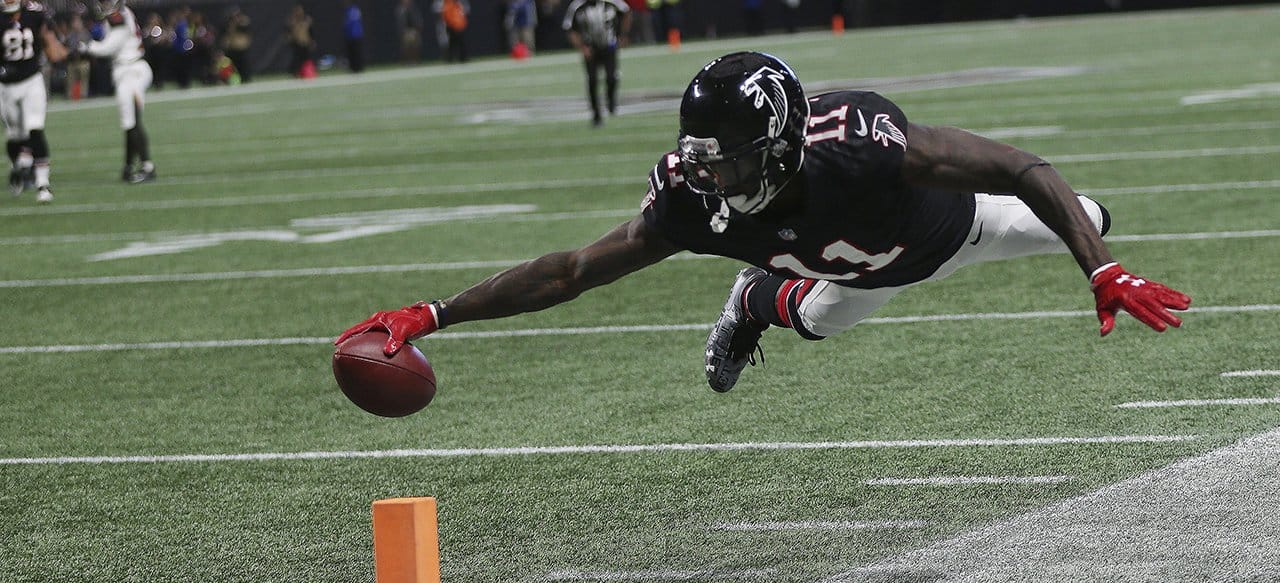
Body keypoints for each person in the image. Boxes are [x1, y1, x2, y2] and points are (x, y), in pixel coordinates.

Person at [337, 52, 1192, 397]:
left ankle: (760, 296)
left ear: (783, 145)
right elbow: (571, 270)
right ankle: (757, 305)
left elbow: (1019, 166)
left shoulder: (858, 144)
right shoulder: (693, 197)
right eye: (705, 157)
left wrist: (1102, 269)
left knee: (1085, 215)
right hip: (859, 274)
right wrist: (436, 313)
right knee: (820, 317)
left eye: (732, 159)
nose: (714, 176)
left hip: (966, 228)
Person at [82, 0, 156, 184]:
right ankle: (129, 166)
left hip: (131, 70)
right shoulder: (122, 13)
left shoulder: (119, 15)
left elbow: (109, 47)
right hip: (130, 70)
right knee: (131, 122)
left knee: (131, 122)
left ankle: (148, 167)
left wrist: (86, 47)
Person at [0, 0, 66, 204]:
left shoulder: (35, 14)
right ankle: (20, 165)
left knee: (35, 128)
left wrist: (61, 54)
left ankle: (42, 184)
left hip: (31, 81)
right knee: (15, 136)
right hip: (6, 86)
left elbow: (50, 41)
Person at [562, 0, 630, 127]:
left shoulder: (611, 2)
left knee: (611, 77)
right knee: (592, 80)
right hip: (590, 48)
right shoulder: (577, 6)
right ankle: (596, 114)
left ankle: (611, 101)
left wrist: (623, 35)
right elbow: (569, 28)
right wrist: (582, 47)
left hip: (609, 46)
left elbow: (626, 11)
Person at [221, 6, 252, 82]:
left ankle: (246, 79)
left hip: (241, 48)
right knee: (231, 66)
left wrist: (238, 22)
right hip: (231, 48)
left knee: (244, 65)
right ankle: (230, 80)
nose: (235, 17)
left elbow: (246, 27)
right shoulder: (228, 24)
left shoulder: (244, 21)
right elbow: (227, 34)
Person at [342, 0, 364, 73]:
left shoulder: (354, 9)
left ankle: (358, 68)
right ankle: (353, 68)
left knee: (356, 53)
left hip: (355, 35)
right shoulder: (348, 10)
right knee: (351, 53)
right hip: (350, 36)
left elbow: (351, 23)